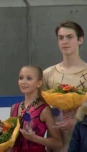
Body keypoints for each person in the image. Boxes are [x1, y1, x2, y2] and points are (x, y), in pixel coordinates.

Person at [43, 20, 86, 152]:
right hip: (56, 139)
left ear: (80, 40)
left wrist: (76, 120)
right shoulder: (48, 74)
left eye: (69, 37)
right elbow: (39, 108)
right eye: (61, 38)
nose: (64, 41)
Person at [10, 65, 63, 152]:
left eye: (29, 78)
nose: (23, 82)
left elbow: (58, 143)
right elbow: (11, 139)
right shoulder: (14, 108)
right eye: (21, 78)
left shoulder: (45, 110)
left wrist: (35, 138)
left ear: (39, 83)